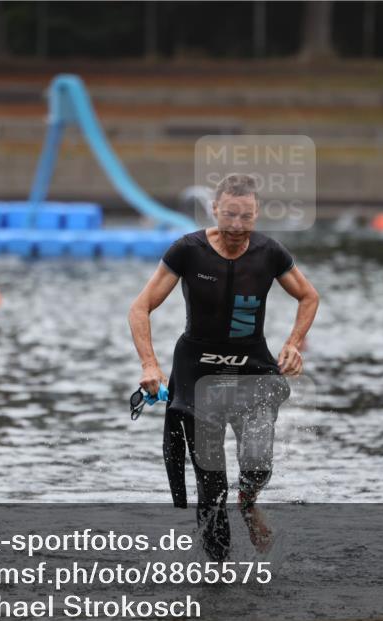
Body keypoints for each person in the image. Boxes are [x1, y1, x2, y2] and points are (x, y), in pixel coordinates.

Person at [128, 173, 319, 560]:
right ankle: (217, 579)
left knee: (258, 462)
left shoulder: (270, 253)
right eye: (229, 215)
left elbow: (309, 296)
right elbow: (140, 307)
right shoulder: (188, 250)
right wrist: (150, 365)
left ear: (256, 214)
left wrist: (294, 344)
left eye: (245, 217)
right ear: (214, 210)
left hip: (252, 367)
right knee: (211, 484)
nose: (236, 226)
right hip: (198, 370)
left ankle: (248, 503)